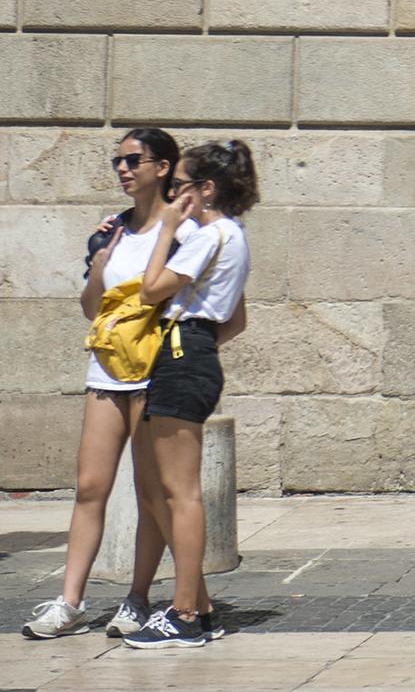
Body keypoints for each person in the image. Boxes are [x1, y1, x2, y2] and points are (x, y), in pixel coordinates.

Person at [23, 129, 186, 641]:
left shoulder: (182, 229)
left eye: (133, 159)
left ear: (161, 167)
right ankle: (69, 601)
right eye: (117, 160)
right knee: (91, 487)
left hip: (155, 369)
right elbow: (92, 309)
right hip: (107, 369)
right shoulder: (111, 232)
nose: (122, 168)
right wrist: (97, 266)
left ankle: (139, 599)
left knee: (150, 492)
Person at [123, 140, 257, 650]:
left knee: (180, 492)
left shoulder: (207, 234)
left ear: (205, 189)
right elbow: (236, 319)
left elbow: (152, 287)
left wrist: (168, 232)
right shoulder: (236, 237)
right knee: (168, 488)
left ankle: (184, 614)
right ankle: (196, 606)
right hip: (192, 353)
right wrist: (196, 345)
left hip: (181, 359)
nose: (173, 193)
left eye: (179, 185)